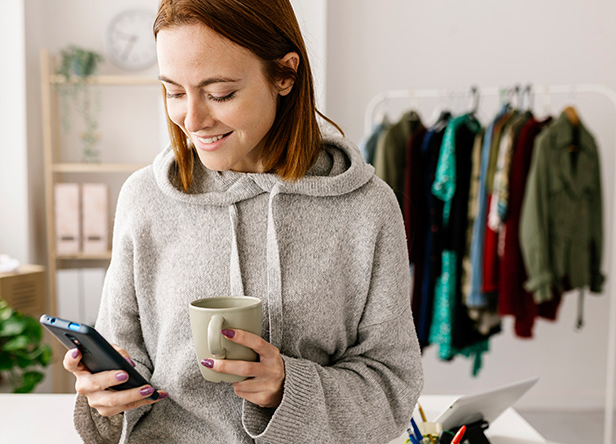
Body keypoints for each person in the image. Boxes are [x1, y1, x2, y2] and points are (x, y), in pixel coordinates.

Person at [63, 0, 423, 442]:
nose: (191, 120)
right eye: (174, 92)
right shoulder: (146, 198)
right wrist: (105, 397)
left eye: (220, 94)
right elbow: (125, 361)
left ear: (285, 75)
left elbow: (393, 387)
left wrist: (288, 387)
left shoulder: (366, 208)